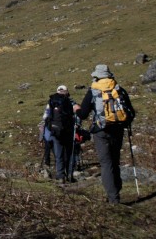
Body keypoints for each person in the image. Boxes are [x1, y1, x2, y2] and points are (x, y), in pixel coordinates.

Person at [74, 64, 136, 204]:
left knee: (106, 163)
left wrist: (76, 109)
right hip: (118, 128)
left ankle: (113, 198)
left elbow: (83, 114)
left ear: (96, 76)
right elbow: (130, 112)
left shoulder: (94, 91)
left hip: (101, 130)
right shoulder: (118, 89)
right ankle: (116, 190)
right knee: (115, 161)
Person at [43, 85, 76, 182]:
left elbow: (45, 116)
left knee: (58, 155)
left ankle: (60, 176)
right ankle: (69, 175)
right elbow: (75, 115)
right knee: (69, 154)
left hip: (55, 131)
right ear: (67, 92)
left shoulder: (52, 101)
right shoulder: (70, 102)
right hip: (68, 131)